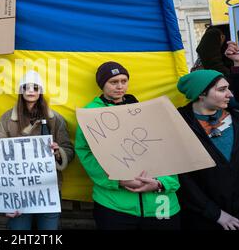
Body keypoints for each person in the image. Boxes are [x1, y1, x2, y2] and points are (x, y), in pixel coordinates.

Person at [75, 61, 181, 230]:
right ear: (102, 85)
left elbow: (165, 149)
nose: (120, 86)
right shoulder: (89, 113)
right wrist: (118, 181)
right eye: (113, 82)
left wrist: (162, 183)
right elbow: (85, 152)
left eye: (124, 81)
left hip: (159, 203)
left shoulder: (144, 110)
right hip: (114, 204)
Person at [0, 70, 74, 230]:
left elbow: (69, 150)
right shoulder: (7, 119)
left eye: (35, 87)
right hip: (17, 189)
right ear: (20, 91)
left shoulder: (55, 119)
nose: (31, 91)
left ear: (41, 91)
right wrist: (6, 198)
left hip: (48, 188)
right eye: (26, 87)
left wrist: (58, 152)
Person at [176, 41, 239, 230]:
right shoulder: (178, 126)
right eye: (221, 90)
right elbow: (182, 180)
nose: (229, 94)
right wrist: (215, 213)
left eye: (228, 88)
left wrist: (236, 63)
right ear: (201, 94)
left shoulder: (236, 118)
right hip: (203, 219)